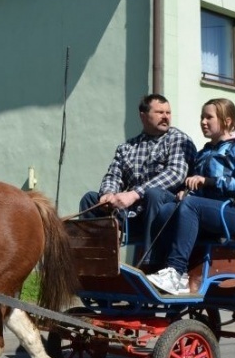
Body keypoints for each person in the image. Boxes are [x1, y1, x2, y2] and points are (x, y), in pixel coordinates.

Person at [146, 98, 235, 295]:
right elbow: (198, 191)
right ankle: (160, 267)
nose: (203, 122)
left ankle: (177, 272)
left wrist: (209, 181)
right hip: (209, 211)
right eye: (202, 117)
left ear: (227, 121)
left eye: (209, 117)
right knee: (167, 209)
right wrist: (187, 191)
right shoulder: (205, 151)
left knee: (190, 205)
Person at [79, 93, 196, 264]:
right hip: (132, 215)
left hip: (166, 213)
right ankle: (96, 260)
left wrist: (134, 194)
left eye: (168, 113)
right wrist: (109, 194)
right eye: (160, 112)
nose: (165, 117)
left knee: (154, 194)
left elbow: (176, 173)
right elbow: (114, 175)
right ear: (143, 115)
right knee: (91, 199)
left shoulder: (178, 139)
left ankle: (150, 264)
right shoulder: (127, 147)